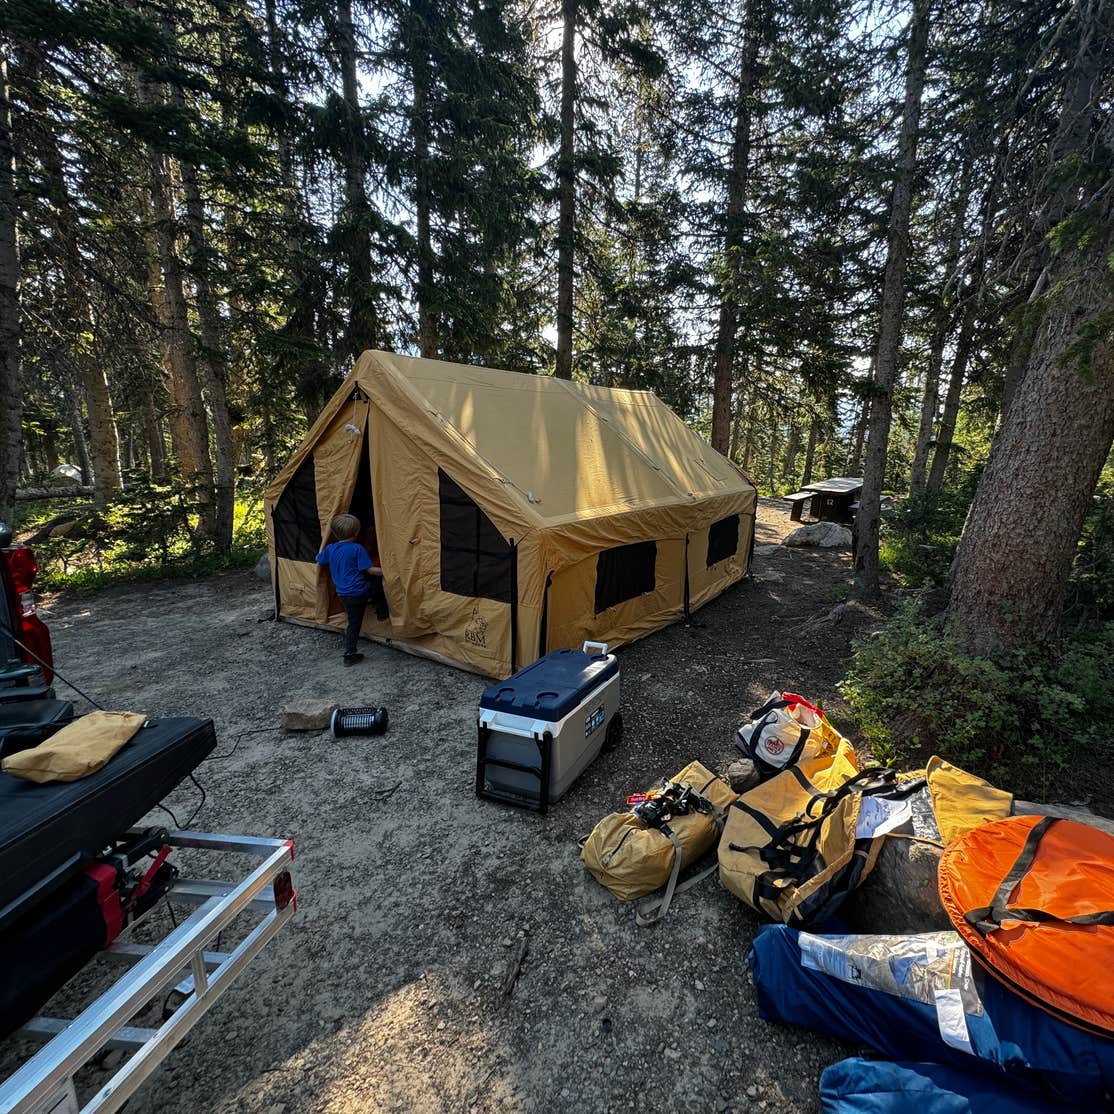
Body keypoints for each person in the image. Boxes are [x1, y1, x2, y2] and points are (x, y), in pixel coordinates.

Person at [316, 514, 388, 666]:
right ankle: (350, 654)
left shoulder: (330, 549)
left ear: (334, 534)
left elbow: (319, 559)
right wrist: (388, 572)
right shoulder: (357, 549)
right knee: (376, 587)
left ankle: (375, 606)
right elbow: (369, 570)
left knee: (352, 619)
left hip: (343, 594)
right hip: (359, 592)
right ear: (356, 533)